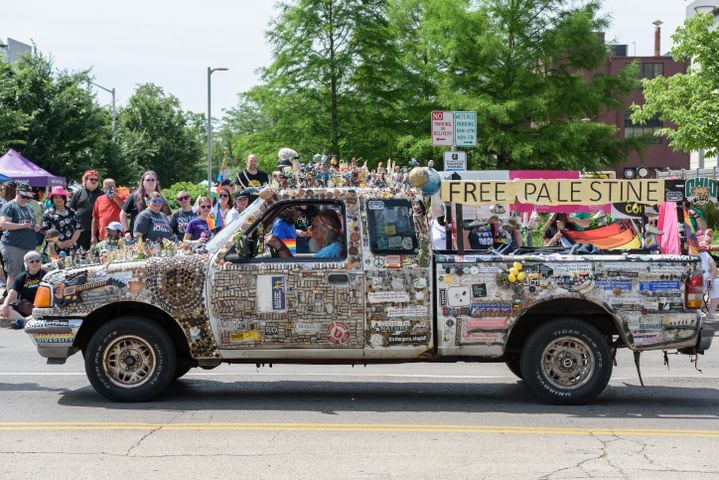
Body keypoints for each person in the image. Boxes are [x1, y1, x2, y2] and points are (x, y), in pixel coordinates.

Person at [0, 184, 41, 289]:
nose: (26, 199)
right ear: (17, 193)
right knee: (14, 274)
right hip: (13, 245)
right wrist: (22, 226)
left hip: (28, 245)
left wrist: (35, 226)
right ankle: (12, 302)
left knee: (28, 274)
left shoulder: (29, 208)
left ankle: (24, 299)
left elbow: (30, 224)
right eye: (23, 196)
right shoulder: (9, 206)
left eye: (28, 197)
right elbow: (3, 224)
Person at [267, 210, 344, 259]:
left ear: (323, 232)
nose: (310, 229)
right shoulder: (336, 246)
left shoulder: (326, 254)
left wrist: (281, 247)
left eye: (313, 227)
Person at [0, 251, 45, 329]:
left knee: (41, 311)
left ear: (40, 262)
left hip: (41, 308)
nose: (35, 263)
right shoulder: (22, 276)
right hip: (25, 308)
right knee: (3, 309)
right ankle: (25, 321)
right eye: (31, 261)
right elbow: (12, 293)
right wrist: (5, 305)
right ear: (27, 264)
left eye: (37, 261)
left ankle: (22, 322)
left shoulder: (45, 275)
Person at [120, 170, 170, 235]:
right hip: (138, 238)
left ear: (156, 182)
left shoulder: (161, 198)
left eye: (153, 180)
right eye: (148, 180)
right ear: (143, 182)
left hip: (157, 239)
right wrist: (127, 231)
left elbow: (168, 217)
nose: (151, 182)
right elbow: (123, 214)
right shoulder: (134, 197)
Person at [41, 186, 82, 254]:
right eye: (56, 197)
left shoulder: (72, 212)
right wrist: (58, 242)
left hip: (71, 247)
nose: (58, 199)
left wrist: (71, 241)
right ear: (52, 199)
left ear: (64, 198)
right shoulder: (47, 213)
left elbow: (78, 228)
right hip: (53, 248)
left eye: (60, 197)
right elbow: (46, 230)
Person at [69, 170, 103, 250]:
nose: (94, 181)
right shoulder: (78, 193)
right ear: (85, 180)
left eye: (96, 179)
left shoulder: (102, 194)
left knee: (97, 254)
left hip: (97, 230)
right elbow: (71, 211)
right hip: (81, 231)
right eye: (91, 179)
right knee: (82, 254)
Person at [91, 178, 124, 246]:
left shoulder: (121, 197)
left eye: (111, 187)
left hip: (119, 236)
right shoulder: (99, 199)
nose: (109, 189)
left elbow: (126, 210)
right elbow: (95, 219)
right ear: (103, 189)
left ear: (115, 188)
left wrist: (116, 199)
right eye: (107, 187)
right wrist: (93, 235)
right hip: (104, 237)